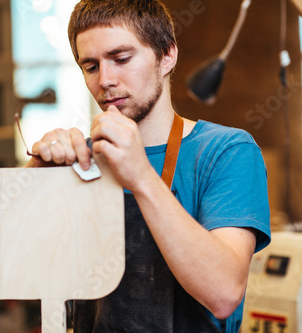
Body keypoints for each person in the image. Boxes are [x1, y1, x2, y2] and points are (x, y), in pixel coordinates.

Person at [25, 0, 271, 332]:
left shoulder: (225, 152)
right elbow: (3, 268)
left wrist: (140, 175)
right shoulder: (80, 161)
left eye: (121, 59)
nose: (106, 80)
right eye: (91, 66)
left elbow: (224, 294)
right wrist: (33, 178)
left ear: (167, 55)